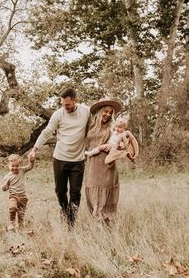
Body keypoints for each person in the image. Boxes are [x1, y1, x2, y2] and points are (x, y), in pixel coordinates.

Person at [28, 87, 90, 228]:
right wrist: (34, 149)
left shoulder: (86, 111)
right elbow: (47, 132)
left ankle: (71, 223)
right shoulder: (58, 114)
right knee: (60, 191)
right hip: (60, 158)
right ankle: (64, 210)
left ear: (75, 100)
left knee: (75, 193)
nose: (64, 107)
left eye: (67, 104)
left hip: (78, 160)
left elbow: (95, 126)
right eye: (62, 104)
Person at [85, 97, 138, 225]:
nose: (108, 114)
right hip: (92, 165)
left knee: (105, 198)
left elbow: (124, 143)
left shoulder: (114, 128)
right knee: (93, 195)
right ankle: (97, 224)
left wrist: (119, 148)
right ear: (99, 111)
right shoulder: (90, 126)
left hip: (107, 166)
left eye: (110, 112)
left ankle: (105, 227)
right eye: (105, 111)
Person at [1, 154, 33, 231]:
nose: (15, 168)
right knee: (12, 207)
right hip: (13, 196)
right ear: (9, 165)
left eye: (17, 166)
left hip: (23, 197)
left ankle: (21, 226)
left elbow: (30, 167)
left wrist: (31, 161)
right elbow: (5, 188)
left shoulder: (22, 170)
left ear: (20, 166)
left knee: (21, 213)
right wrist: (3, 187)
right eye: (13, 166)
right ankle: (11, 222)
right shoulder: (7, 177)